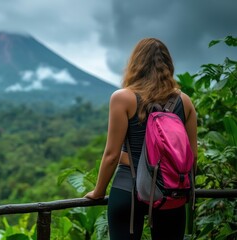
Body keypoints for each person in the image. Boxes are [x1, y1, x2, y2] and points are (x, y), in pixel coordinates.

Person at [84, 38, 198, 240]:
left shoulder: (123, 98)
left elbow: (111, 155)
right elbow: (192, 157)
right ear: (168, 65)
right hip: (170, 191)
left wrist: (98, 191)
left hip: (129, 186)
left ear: (135, 64)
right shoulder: (185, 101)